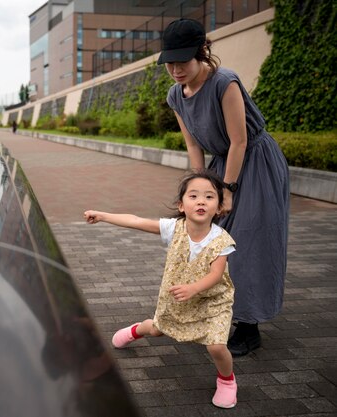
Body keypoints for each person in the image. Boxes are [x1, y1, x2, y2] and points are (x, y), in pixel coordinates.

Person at [157, 18, 289, 356]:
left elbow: (240, 140)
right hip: (221, 166)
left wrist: (226, 189)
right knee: (211, 241)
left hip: (255, 163)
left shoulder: (224, 82)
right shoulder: (176, 95)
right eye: (169, 63)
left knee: (247, 243)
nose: (175, 70)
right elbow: (192, 146)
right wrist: (200, 189)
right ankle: (215, 315)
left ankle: (248, 328)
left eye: (182, 62)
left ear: (201, 53)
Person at [84, 170, 238, 409]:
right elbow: (136, 220)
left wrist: (194, 288)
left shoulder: (222, 240)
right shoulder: (173, 228)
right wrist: (103, 215)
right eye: (193, 196)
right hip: (178, 295)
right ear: (181, 205)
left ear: (219, 208)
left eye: (209, 197)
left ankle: (227, 381)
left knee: (216, 344)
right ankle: (137, 329)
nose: (200, 201)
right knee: (157, 329)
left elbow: (216, 275)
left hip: (212, 300)